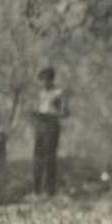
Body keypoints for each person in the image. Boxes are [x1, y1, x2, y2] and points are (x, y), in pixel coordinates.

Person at [32, 66, 68, 197]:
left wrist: (52, 113)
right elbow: (34, 108)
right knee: (37, 157)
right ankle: (36, 190)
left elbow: (65, 112)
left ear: (50, 80)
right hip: (40, 125)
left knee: (49, 158)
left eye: (44, 80)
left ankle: (49, 190)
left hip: (51, 125)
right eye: (41, 80)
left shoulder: (58, 93)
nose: (42, 83)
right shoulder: (40, 93)